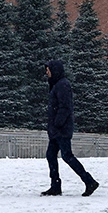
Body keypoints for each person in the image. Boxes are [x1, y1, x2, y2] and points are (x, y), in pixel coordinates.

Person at [40, 60, 99, 197]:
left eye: (48, 70)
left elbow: (65, 106)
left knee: (67, 156)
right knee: (51, 155)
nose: (46, 72)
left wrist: (58, 123)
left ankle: (89, 181)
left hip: (61, 129)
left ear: (54, 70)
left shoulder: (62, 85)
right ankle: (55, 186)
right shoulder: (57, 85)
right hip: (56, 129)